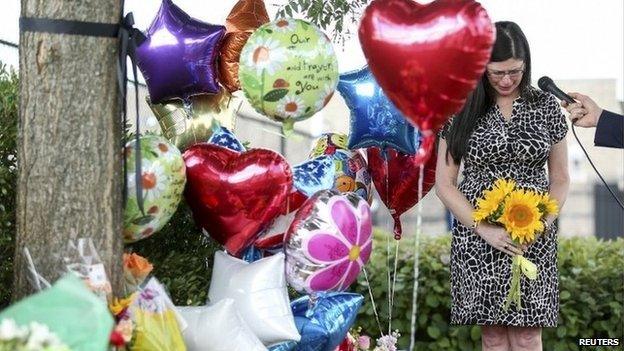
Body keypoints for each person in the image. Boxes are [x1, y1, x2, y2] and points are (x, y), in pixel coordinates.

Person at [435, 21, 570, 351]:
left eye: (515, 71)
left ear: (526, 64)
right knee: (492, 336)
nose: (507, 80)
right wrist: (484, 229)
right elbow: (445, 184)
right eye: (497, 73)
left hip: (532, 236)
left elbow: (561, 178)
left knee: (528, 335)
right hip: (478, 234)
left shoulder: (547, 107)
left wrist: (542, 223)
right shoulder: (461, 108)